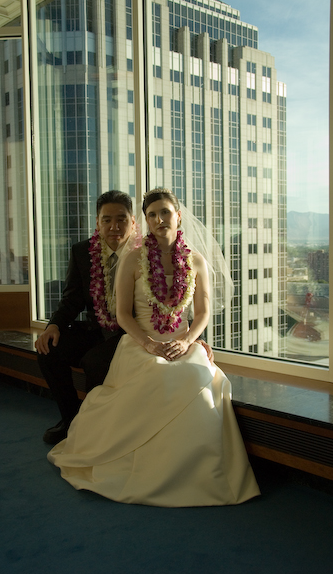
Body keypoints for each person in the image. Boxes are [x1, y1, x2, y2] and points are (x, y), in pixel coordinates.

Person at [47, 188, 260, 507]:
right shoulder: (134, 259)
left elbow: (202, 313)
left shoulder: (197, 261)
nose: (159, 219)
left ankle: (194, 470)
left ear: (178, 216)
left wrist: (188, 341)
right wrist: (147, 343)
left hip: (182, 342)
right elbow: (122, 314)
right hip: (140, 341)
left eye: (165, 212)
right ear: (145, 221)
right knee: (156, 376)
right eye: (152, 215)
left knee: (198, 380)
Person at [35, 190, 136, 444]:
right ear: (97, 222)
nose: (114, 226)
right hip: (96, 329)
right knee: (48, 350)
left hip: (130, 335)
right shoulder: (82, 252)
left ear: (133, 221)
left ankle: (95, 427)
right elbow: (72, 299)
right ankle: (71, 420)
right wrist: (54, 325)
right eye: (106, 220)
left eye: (121, 219)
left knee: (94, 362)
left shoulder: (144, 253)